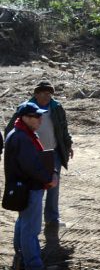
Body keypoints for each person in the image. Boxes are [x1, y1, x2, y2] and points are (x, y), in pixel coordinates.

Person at [5, 81, 74, 230]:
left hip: (52, 152)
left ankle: (52, 218)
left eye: (49, 94)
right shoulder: (25, 109)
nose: (47, 96)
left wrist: (68, 145)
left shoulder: (56, 108)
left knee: (53, 186)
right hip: (32, 154)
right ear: (36, 94)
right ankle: (28, 218)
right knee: (32, 188)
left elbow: (63, 129)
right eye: (44, 93)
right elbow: (10, 129)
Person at [3, 102, 59, 270]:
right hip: (29, 188)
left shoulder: (22, 134)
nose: (40, 119)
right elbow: (31, 166)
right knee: (30, 229)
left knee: (23, 225)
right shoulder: (22, 137)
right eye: (36, 116)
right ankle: (34, 267)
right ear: (25, 118)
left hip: (24, 187)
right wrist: (48, 179)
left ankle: (22, 262)